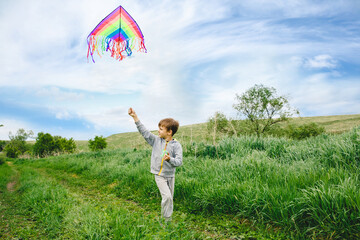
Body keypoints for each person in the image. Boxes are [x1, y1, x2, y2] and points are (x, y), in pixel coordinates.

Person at [128, 107, 183, 224]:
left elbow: (179, 162)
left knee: (169, 199)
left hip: (170, 176)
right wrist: (135, 117)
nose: (158, 131)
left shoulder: (176, 145)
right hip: (159, 175)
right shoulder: (156, 141)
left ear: (169, 132)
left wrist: (170, 159)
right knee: (167, 197)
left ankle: (167, 220)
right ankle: (166, 222)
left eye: (161, 129)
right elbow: (144, 132)